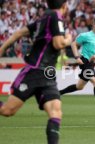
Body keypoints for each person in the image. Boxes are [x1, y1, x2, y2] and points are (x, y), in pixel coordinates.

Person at [0, 0, 72, 144]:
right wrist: (68, 39)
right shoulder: (55, 15)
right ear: (65, 6)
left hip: (47, 74)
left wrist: (1, 49)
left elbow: (20, 32)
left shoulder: (44, 18)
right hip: (34, 71)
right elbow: (58, 43)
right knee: (7, 111)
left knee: (55, 112)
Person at [59, 18, 95, 115]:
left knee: (79, 86)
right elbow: (73, 44)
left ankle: (58, 93)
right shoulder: (86, 35)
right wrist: (76, 57)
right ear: (93, 25)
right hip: (85, 61)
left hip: (91, 63)